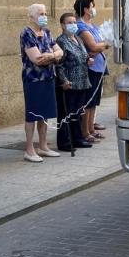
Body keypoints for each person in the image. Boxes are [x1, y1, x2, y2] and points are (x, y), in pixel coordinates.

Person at [19, 3, 63, 163]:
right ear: (31, 16)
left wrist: (51, 55)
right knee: (32, 114)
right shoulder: (26, 33)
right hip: (33, 79)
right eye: (40, 13)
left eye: (45, 13)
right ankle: (29, 149)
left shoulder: (46, 32)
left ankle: (43, 146)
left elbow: (60, 51)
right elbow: (36, 59)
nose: (44, 16)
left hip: (49, 77)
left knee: (45, 113)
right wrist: (54, 55)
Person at [74, 0, 111, 143]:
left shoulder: (93, 26)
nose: (94, 9)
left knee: (94, 102)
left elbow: (102, 43)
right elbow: (94, 46)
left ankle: (91, 129)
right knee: (88, 101)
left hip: (99, 66)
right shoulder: (81, 27)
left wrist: (102, 45)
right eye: (92, 6)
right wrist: (104, 44)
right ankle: (85, 132)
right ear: (85, 9)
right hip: (89, 67)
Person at [54, 12, 91, 152]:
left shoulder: (78, 39)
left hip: (82, 81)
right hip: (69, 83)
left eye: (74, 22)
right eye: (69, 23)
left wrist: (88, 60)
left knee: (78, 113)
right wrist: (63, 81)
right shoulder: (61, 41)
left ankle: (77, 139)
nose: (73, 25)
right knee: (66, 114)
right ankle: (65, 142)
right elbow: (59, 65)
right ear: (63, 25)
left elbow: (83, 55)